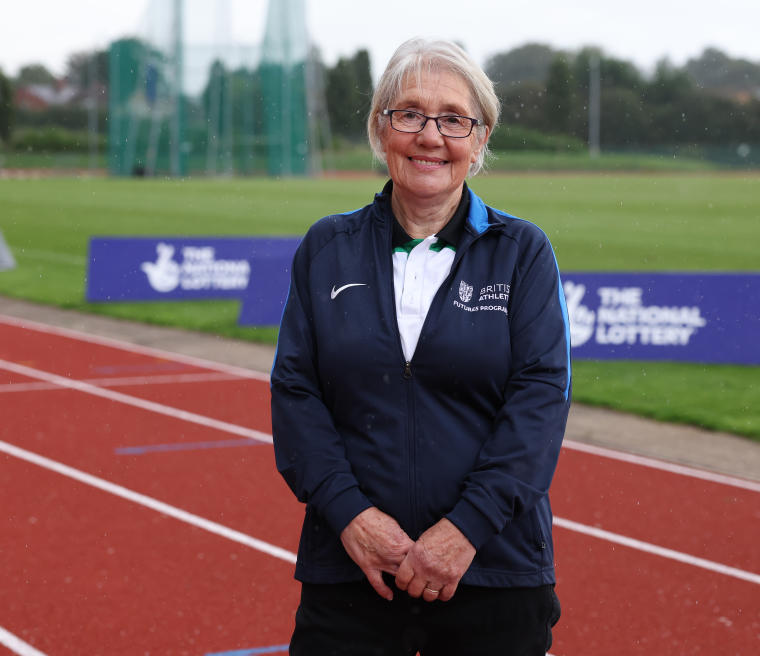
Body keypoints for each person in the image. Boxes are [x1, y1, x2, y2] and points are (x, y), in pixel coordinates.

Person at [270, 37, 571, 656]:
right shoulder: (327, 248)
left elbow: (539, 400)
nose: (430, 136)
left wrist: (465, 531)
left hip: (492, 575)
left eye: (454, 119)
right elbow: (296, 392)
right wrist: (350, 515)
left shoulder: (522, 252)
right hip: (351, 576)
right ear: (381, 131)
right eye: (408, 113)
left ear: (480, 139)